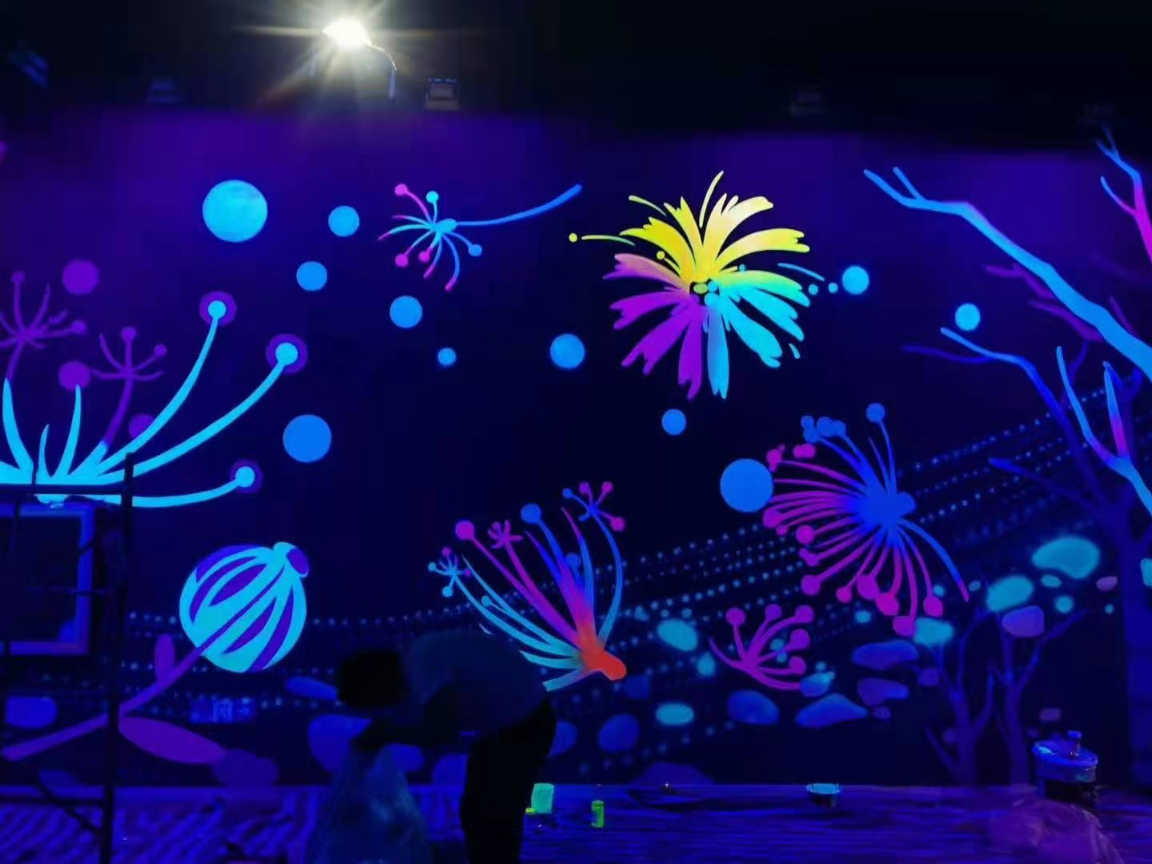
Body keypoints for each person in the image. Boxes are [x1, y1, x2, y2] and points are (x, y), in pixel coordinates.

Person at [338, 631, 557, 864]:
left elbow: (440, 732)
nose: (384, 709)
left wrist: (385, 734)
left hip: (523, 724)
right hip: (508, 723)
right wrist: (385, 732)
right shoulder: (417, 660)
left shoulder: (423, 667)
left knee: (493, 814)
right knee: (480, 812)